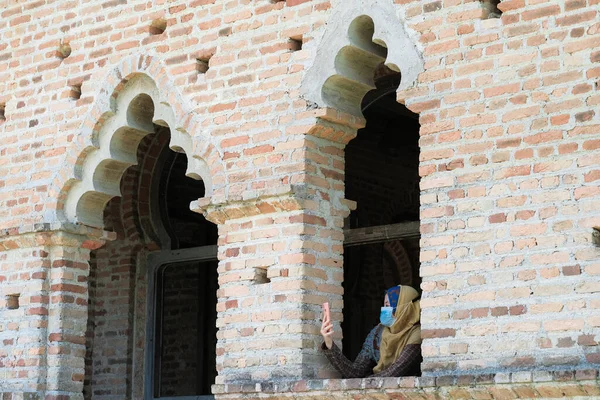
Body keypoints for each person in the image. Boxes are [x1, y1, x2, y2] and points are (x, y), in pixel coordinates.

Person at [320, 285, 422, 378]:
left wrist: (365, 382)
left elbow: (395, 371)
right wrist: (329, 343)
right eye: (384, 305)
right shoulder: (378, 332)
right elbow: (355, 372)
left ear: (405, 308)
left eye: (388, 305)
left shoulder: (416, 333)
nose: (384, 309)